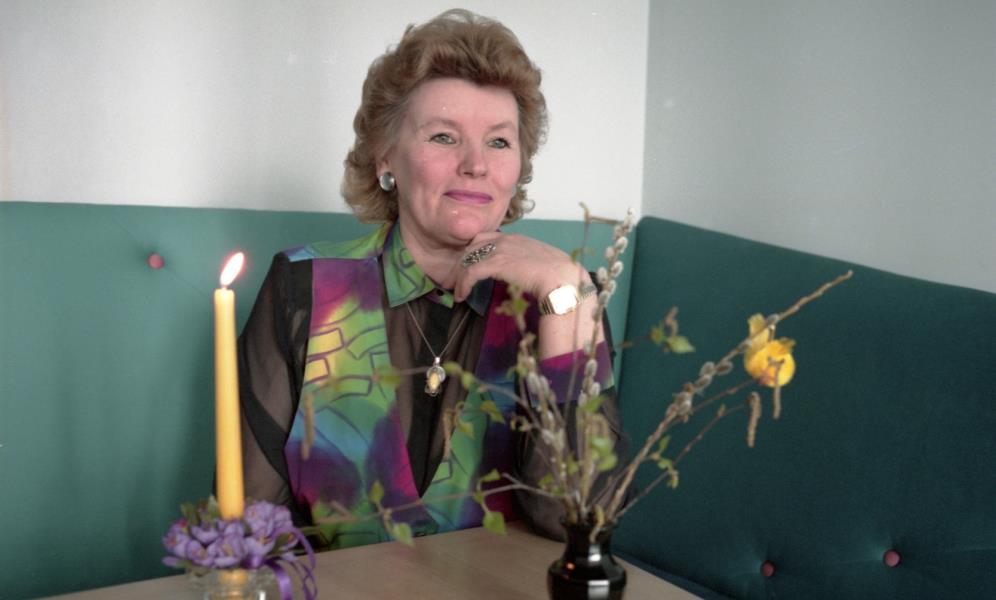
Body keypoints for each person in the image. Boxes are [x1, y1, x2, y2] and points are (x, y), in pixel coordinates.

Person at [238, 9, 618, 550]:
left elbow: (580, 524)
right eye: (443, 136)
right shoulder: (303, 285)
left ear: (519, 169)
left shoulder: (564, 296)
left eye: (499, 142)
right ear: (385, 158)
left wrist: (567, 293)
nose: (475, 164)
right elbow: (253, 529)